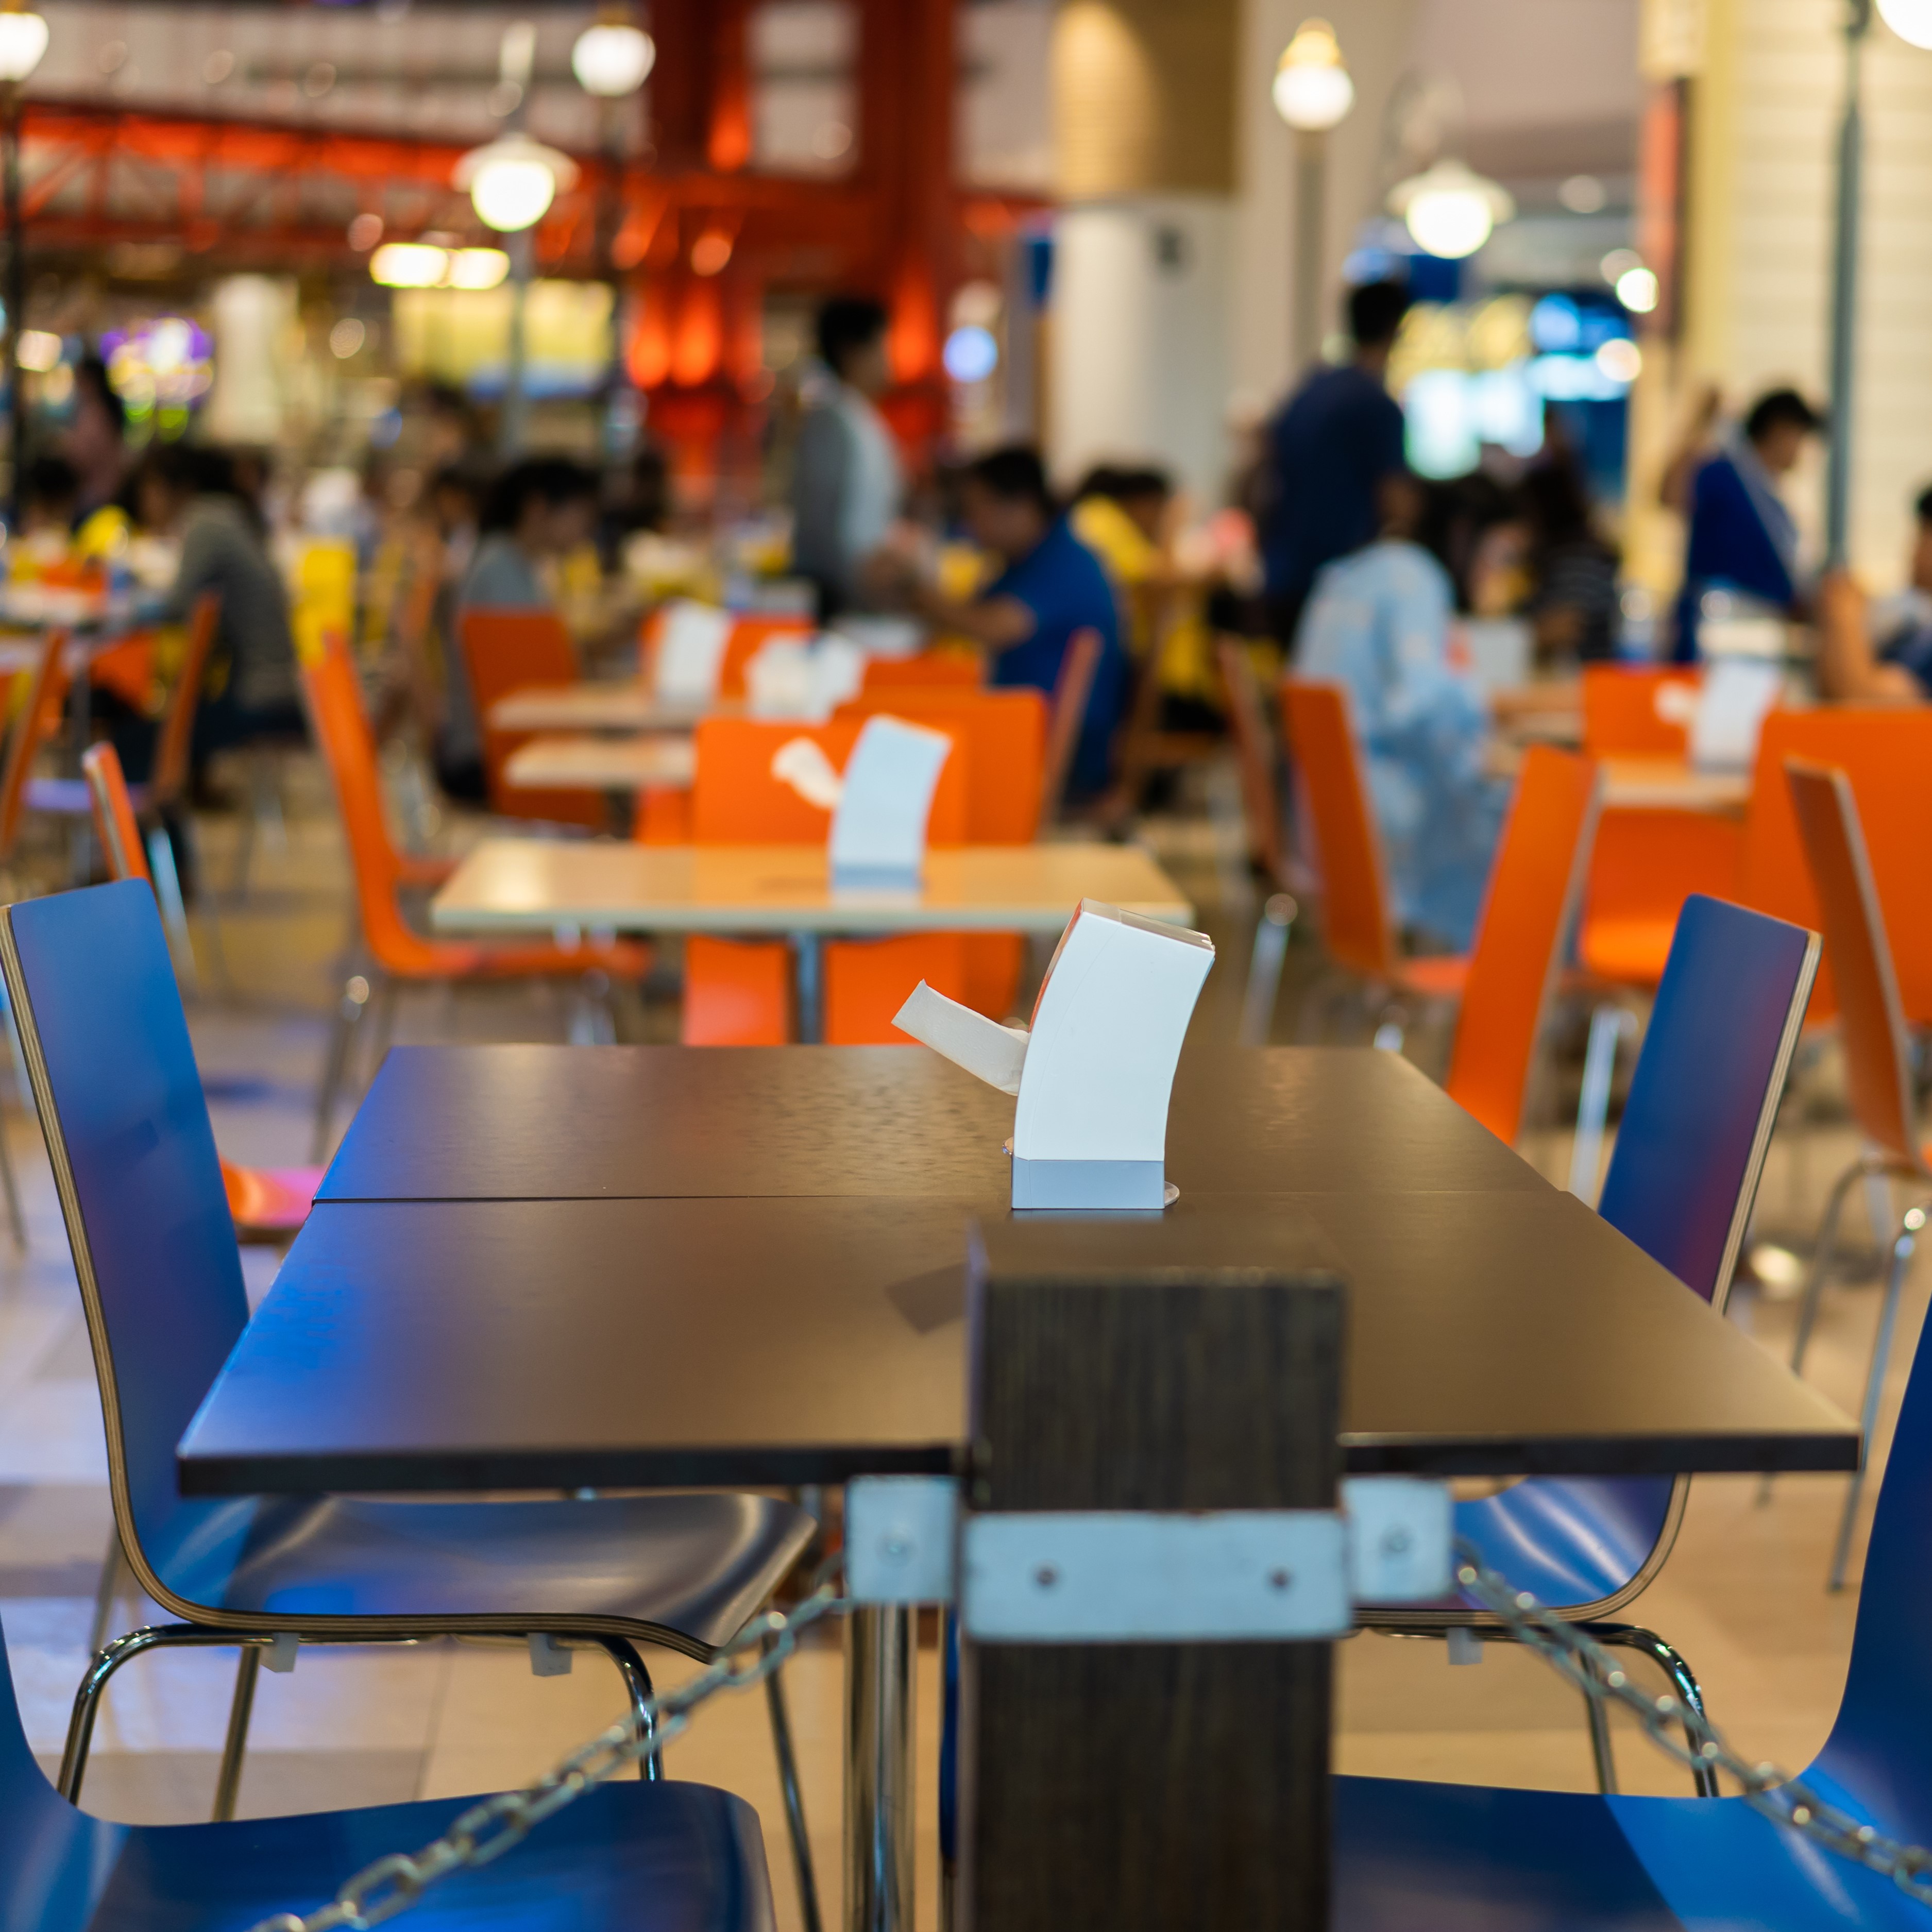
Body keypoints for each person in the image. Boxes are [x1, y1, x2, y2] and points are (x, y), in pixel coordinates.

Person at [1295, 471, 1506, 950]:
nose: (1499, 574)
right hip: (1388, 827)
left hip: (1330, 826)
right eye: (1501, 555)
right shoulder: (1418, 580)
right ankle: (1515, 985)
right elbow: (1424, 706)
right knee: (1532, 835)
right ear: (1464, 534)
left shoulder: (1351, 572)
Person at [895, 445, 1127, 799]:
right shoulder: (1028, 559)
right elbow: (967, 617)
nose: (970, 526)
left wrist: (918, 591)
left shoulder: (1064, 562)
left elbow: (992, 627)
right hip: (1033, 730)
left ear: (1020, 506)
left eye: (977, 510)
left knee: (914, 755)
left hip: (1066, 748)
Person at [1259, 278, 1412, 647]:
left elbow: (1261, 480)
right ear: (1397, 329)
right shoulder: (1376, 405)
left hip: (1283, 577)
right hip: (1342, 587)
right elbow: (1397, 504)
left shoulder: (1307, 391)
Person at [436, 456, 599, 800]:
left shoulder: (513, 562)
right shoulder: (500, 571)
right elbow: (528, 685)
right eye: (581, 512)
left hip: (503, 746)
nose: (587, 526)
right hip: (489, 757)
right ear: (537, 508)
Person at [134, 443, 303, 766]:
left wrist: (131, 599)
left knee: (133, 743)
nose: (145, 500)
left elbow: (176, 606)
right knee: (175, 717)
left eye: (149, 488)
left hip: (261, 698)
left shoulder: (207, 523)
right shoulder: (229, 515)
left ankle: (160, 791)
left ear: (176, 487)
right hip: (281, 687)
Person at [1672, 386, 1821, 663]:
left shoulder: (1771, 501)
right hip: (1721, 632)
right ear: (1778, 431)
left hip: (1757, 634)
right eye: (1799, 437)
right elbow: (1670, 494)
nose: (1801, 450)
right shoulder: (1726, 475)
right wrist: (1698, 424)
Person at [791, 295, 904, 619]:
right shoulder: (832, 420)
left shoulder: (857, 415)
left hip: (859, 588)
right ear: (852, 352)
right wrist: (861, 587)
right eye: (881, 348)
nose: (888, 362)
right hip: (839, 593)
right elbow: (828, 522)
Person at [1814, 484, 1932, 704]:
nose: (1914, 547)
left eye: (1925, 533)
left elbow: (1865, 702)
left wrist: (1843, 614)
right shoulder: (1913, 618)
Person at [1517, 455, 1621, 663]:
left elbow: (1566, 627)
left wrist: (1499, 637)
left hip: (1584, 676)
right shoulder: (1574, 554)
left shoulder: (1577, 559)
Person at [61, 355, 135, 550]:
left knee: (86, 553)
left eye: (79, 379)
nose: (76, 386)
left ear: (91, 380)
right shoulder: (109, 411)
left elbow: (80, 459)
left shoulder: (94, 414)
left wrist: (62, 447)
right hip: (112, 492)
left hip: (94, 497)